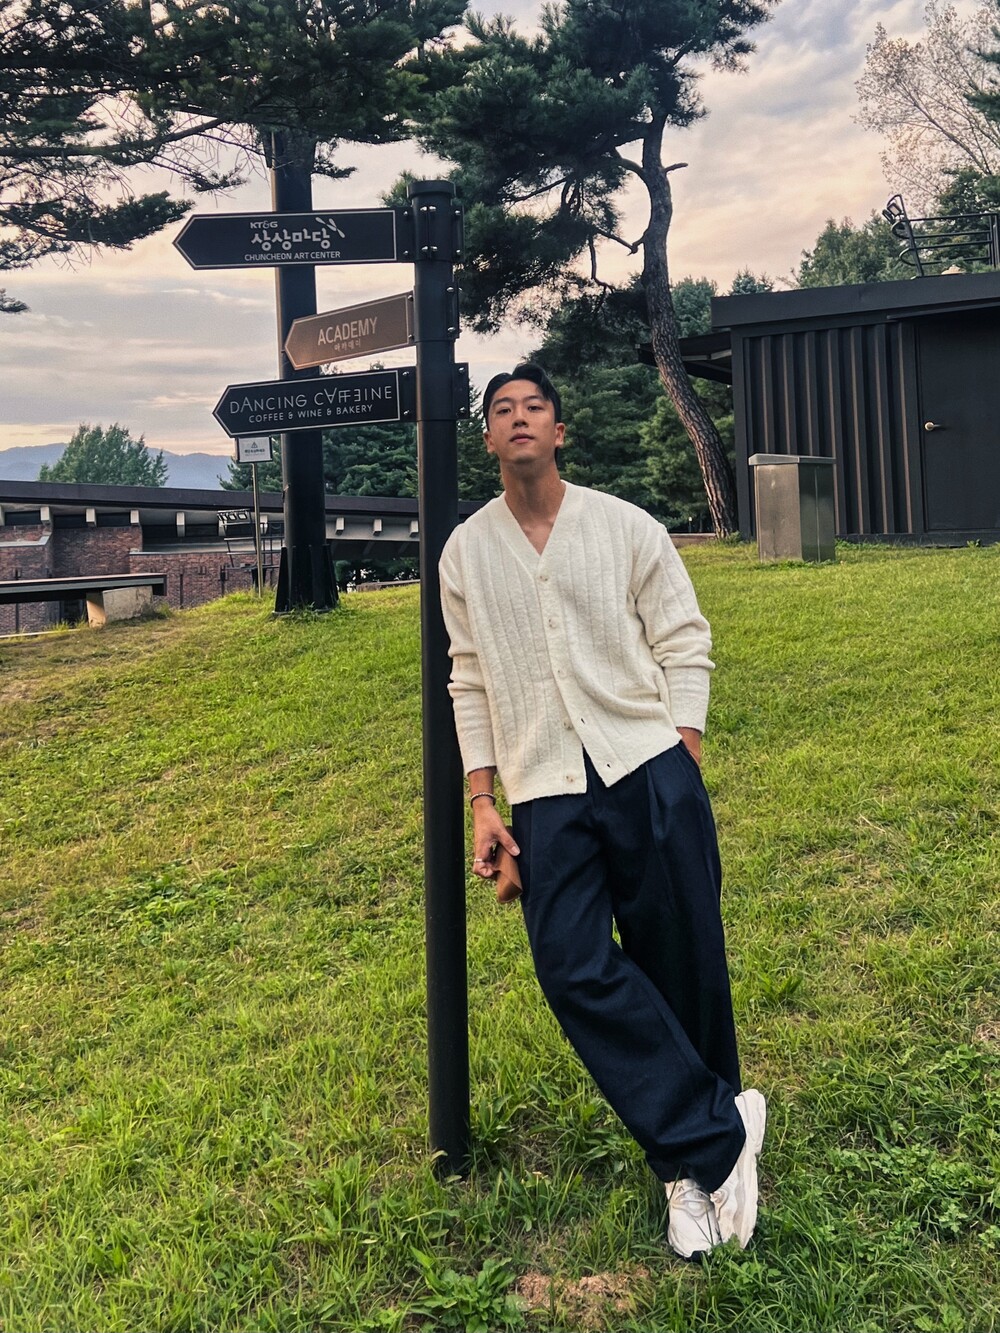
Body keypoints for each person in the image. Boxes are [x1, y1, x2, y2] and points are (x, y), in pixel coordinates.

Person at [438, 362, 765, 1259]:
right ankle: (722, 1130)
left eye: (534, 406)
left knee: (682, 960)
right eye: (502, 409)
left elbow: (684, 638)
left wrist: (683, 753)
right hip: (544, 793)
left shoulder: (624, 525)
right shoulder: (465, 552)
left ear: (560, 430)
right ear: (488, 437)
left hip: (648, 769)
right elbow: (468, 679)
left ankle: (689, 1173)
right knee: (571, 965)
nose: (518, 418)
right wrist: (482, 800)